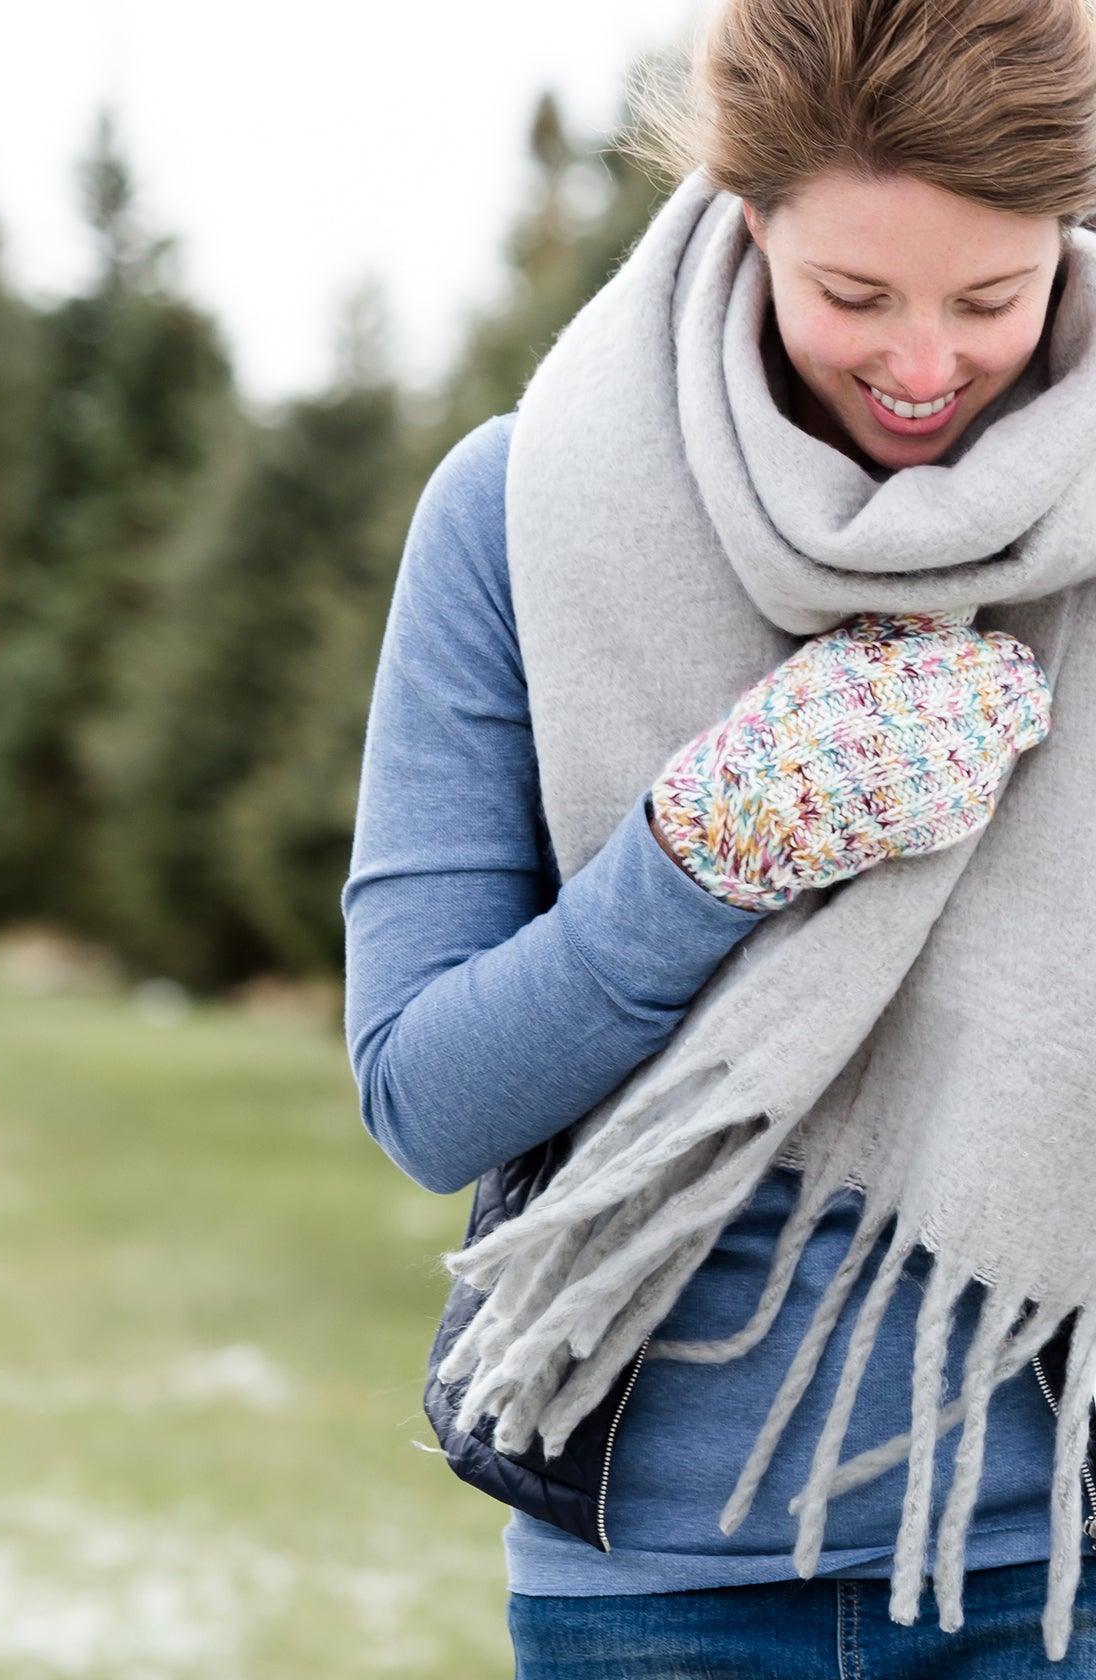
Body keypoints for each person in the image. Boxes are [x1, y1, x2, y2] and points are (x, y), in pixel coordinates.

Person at [343, 0, 1096, 1673]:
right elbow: (425, 1093)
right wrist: (702, 854)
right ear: (748, 218)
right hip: (653, 1599)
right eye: (852, 295)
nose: (921, 366)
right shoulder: (514, 516)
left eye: (991, 296)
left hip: (1064, 1576)